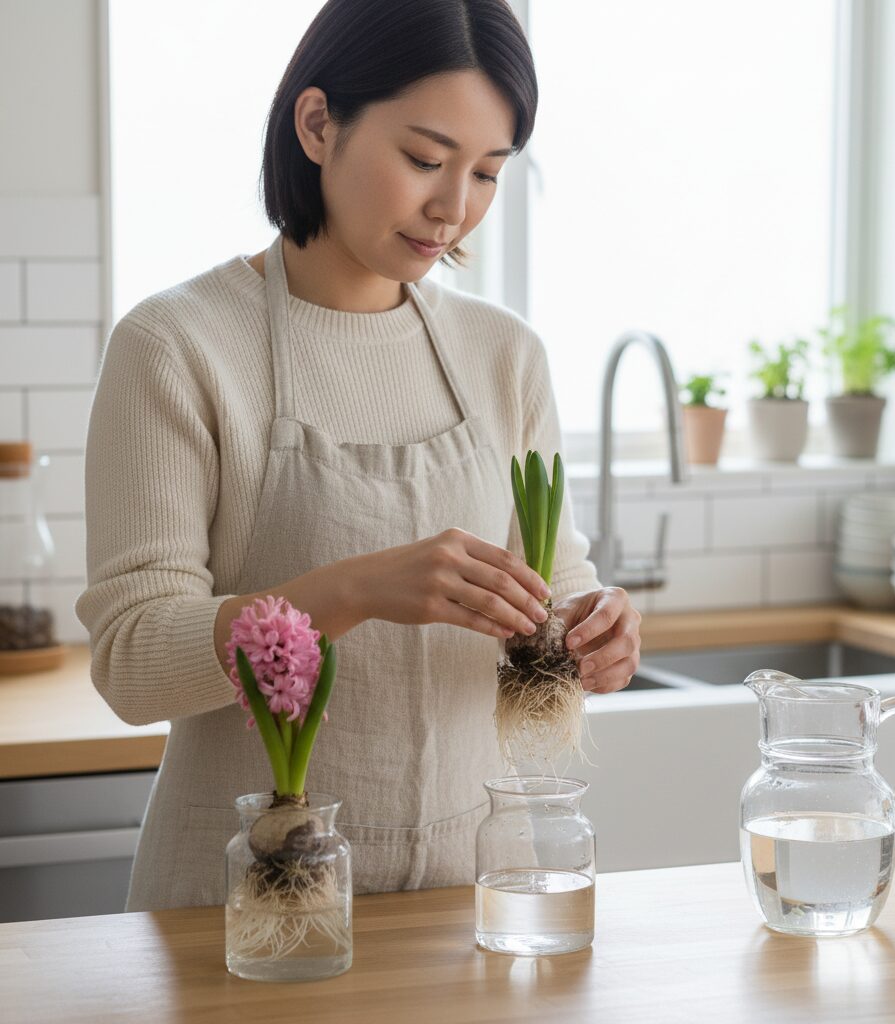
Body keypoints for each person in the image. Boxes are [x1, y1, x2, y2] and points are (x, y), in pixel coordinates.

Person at [76, 0, 641, 911]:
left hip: (476, 899)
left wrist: (589, 630)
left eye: (488, 174)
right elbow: (133, 662)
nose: (454, 209)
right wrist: (351, 592)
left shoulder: (506, 357)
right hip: (248, 911)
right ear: (317, 122)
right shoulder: (176, 347)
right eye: (424, 159)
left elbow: (555, 575)